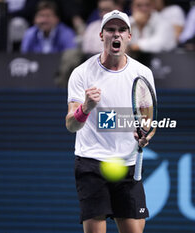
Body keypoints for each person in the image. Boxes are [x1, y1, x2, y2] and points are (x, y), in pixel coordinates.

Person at [65, 10, 156, 233]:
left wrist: (145, 136)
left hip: (128, 165)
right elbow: (71, 124)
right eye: (111, 30)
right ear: (101, 35)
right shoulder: (82, 73)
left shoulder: (143, 73)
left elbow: (149, 123)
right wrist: (86, 108)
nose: (116, 34)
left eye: (122, 30)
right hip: (92, 162)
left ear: (129, 36)